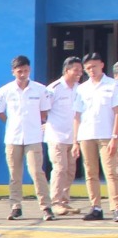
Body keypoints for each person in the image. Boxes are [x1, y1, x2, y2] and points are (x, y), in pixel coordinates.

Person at [0, 55, 52, 221]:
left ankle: (46, 207)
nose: (23, 74)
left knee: (37, 172)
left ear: (30, 70)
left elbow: (44, 111)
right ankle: (15, 206)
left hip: (33, 136)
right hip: (13, 137)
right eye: (19, 71)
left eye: (26, 70)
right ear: (13, 72)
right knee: (14, 174)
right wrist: (11, 122)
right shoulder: (5, 90)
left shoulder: (40, 89)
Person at [73, 51, 118, 221]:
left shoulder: (113, 85)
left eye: (94, 66)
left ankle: (115, 207)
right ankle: (96, 207)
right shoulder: (82, 88)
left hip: (107, 135)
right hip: (86, 135)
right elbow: (77, 116)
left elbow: (116, 112)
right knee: (90, 173)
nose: (91, 70)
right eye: (88, 68)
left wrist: (115, 136)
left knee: (111, 172)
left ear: (102, 65)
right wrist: (75, 141)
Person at [44, 56, 83, 217]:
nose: (79, 73)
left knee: (70, 170)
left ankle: (65, 201)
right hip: (56, 136)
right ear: (67, 70)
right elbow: (44, 110)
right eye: (76, 70)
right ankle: (55, 203)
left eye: (81, 71)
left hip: (73, 137)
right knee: (59, 169)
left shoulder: (80, 88)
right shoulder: (54, 88)